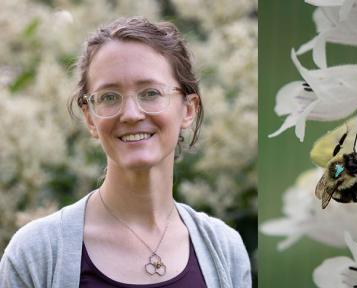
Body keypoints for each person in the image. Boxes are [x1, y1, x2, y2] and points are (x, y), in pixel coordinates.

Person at [0, 17, 251, 288]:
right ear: (89, 118)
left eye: (151, 93)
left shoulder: (226, 249)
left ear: (188, 109)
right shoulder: (36, 254)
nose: (131, 114)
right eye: (109, 97)